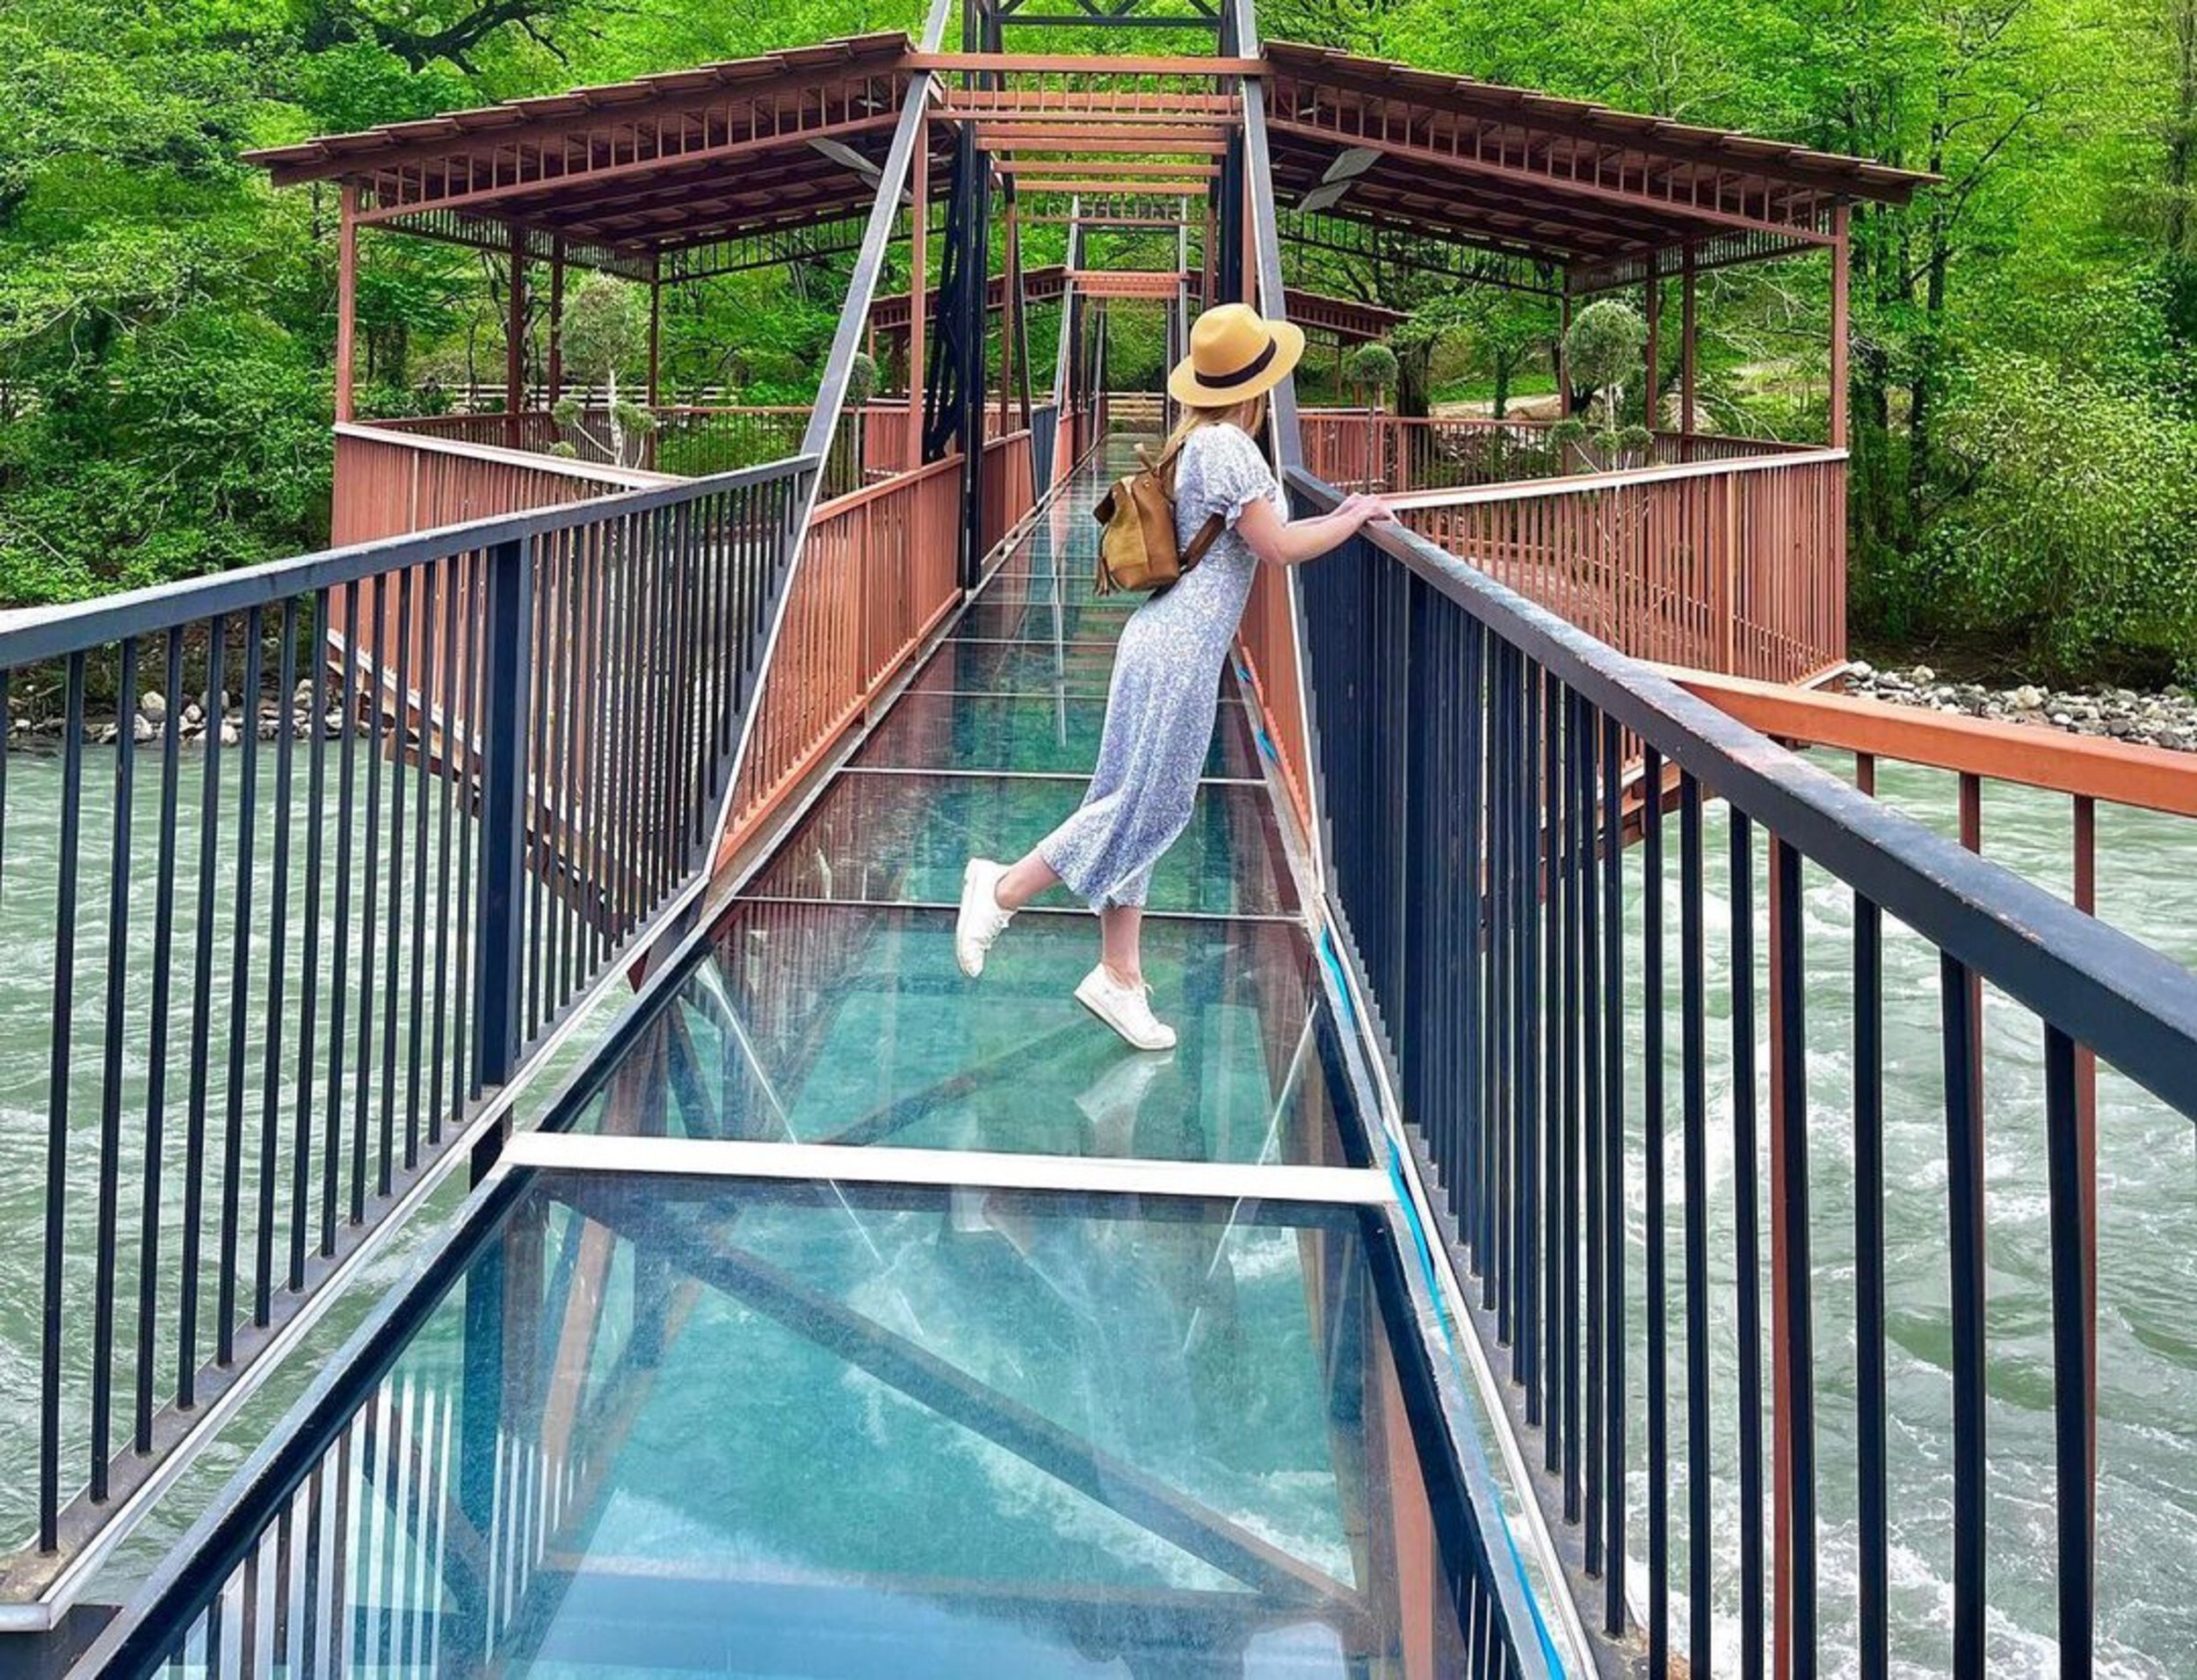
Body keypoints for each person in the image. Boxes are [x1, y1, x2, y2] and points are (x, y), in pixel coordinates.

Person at [953, 302, 1393, 1051]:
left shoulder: (1195, 441)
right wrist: (1352, 518)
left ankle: (1119, 975)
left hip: (1156, 639)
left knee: (1132, 801)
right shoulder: (1232, 448)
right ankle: (1002, 888)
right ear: (1256, 384)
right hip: (1180, 651)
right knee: (1148, 806)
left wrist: (1340, 515)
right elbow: (1277, 546)